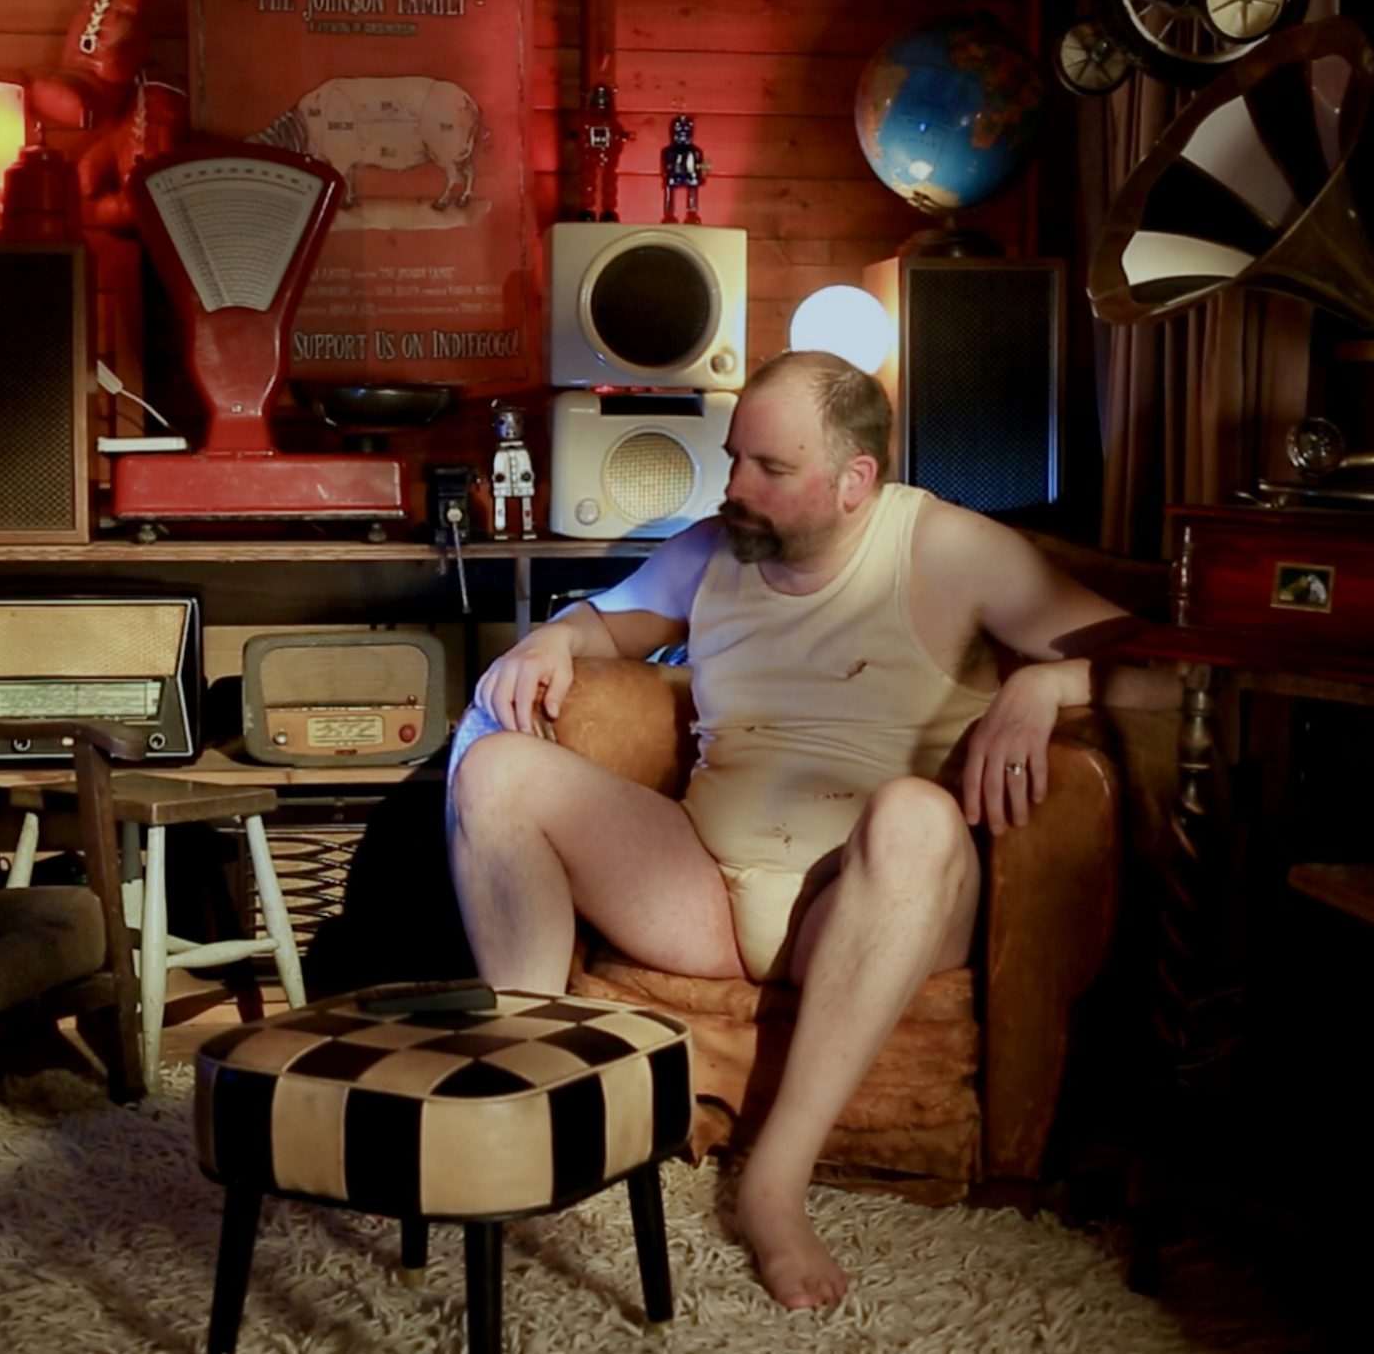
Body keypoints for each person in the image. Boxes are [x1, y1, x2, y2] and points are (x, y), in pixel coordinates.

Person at [445, 350, 1174, 1309]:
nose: (734, 487)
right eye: (733, 458)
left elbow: (1166, 667)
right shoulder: (715, 546)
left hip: (873, 897)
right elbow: (608, 621)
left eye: (770, 468)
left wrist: (1047, 680)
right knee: (495, 767)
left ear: (854, 478)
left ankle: (773, 1186)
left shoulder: (950, 548)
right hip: (704, 890)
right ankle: (527, 1096)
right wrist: (553, 636)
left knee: (915, 814)